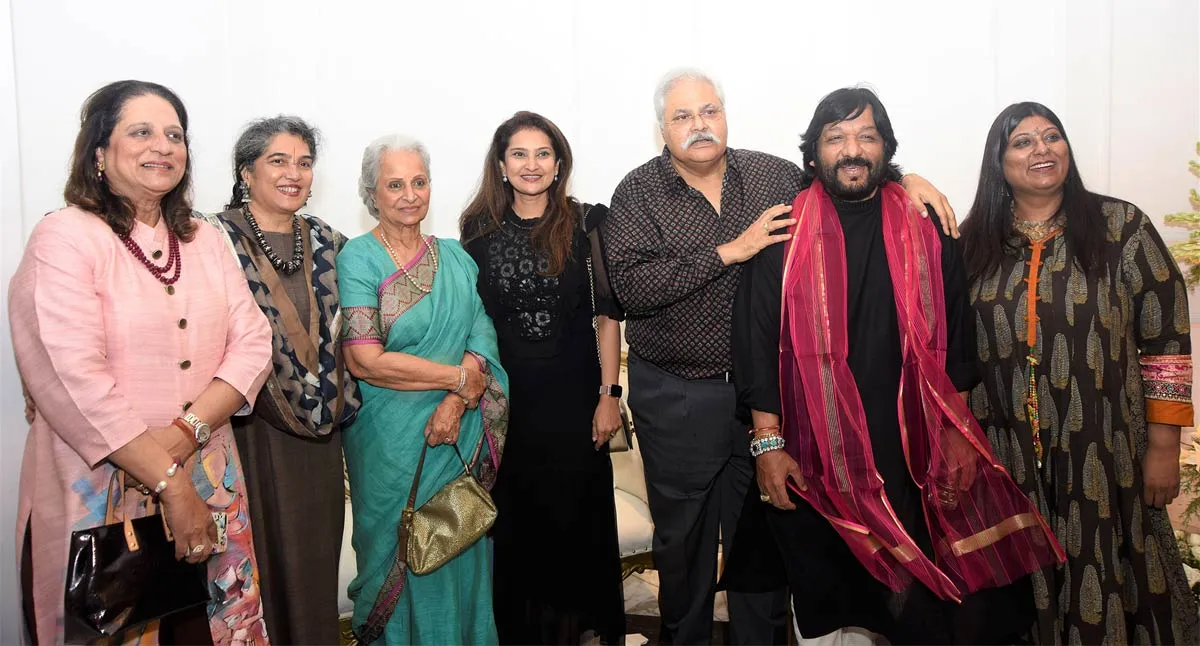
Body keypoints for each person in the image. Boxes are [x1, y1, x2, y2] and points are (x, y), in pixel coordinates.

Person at [602, 68, 959, 644]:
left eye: (709, 111)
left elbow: (846, 174)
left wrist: (908, 178)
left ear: (725, 113)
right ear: (661, 128)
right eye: (683, 116)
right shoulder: (637, 193)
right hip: (680, 396)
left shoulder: (772, 175)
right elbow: (630, 290)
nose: (699, 126)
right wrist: (731, 251)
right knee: (684, 550)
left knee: (767, 547)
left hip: (774, 399)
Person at [730, 86, 1064, 645]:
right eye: (836, 138)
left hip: (913, 446)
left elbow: (958, 338)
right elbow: (756, 343)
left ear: (887, 148)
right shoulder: (782, 234)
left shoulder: (926, 226)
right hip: (816, 451)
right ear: (813, 155)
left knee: (924, 608)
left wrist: (958, 438)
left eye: (866, 136)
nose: (852, 149)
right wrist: (768, 445)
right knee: (835, 606)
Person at [10, 80, 273, 644]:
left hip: (212, 482)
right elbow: (69, 377)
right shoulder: (64, 238)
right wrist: (171, 485)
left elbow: (253, 340)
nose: (163, 145)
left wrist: (184, 435)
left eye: (175, 134)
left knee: (210, 630)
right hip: (98, 490)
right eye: (142, 131)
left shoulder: (204, 238)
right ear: (99, 153)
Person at [960, 101, 1200, 645]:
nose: (1041, 149)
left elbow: (1165, 340)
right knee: (1020, 597)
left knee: (1113, 581)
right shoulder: (972, 245)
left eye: (1052, 137)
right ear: (998, 162)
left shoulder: (1122, 228)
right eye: (1022, 141)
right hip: (1007, 461)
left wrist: (1163, 446)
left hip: (1106, 456)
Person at [460, 111, 625, 645]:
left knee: (578, 529)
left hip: (578, 405)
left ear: (559, 164)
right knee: (520, 533)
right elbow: (474, 324)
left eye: (543, 154)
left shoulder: (586, 224)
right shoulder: (476, 231)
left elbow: (607, 317)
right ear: (502, 165)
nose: (532, 165)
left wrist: (608, 395)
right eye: (519, 154)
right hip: (509, 411)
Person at [337, 135, 510, 644]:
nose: (410, 194)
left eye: (419, 181)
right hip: (389, 440)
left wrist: (457, 402)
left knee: (458, 538)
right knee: (398, 548)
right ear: (372, 192)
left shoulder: (456, 258)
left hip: (455, 433)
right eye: (395, 184)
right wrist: (453, 380)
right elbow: (365, 360)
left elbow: (481, 333)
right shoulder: (359, 259)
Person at [199, 115, 361, 645]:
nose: (294, 173)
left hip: (319, 437)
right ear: (246, 171)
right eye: (278, 160)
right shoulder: (208, 238)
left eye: (304, 162)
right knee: (248, 571)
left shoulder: (330, 242)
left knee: (312, 570)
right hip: (238, 431)